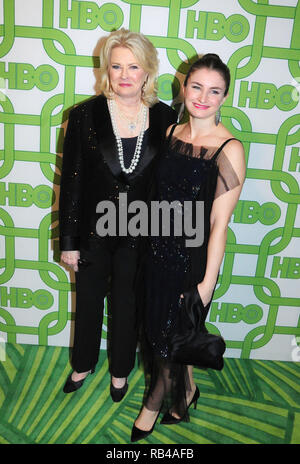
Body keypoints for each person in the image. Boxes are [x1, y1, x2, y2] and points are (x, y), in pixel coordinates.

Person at [131, 53, 246, 441]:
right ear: (184, 87)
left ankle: (155, 402)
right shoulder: (169, 135)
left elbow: (219, 223)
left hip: (192, 260)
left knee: (167, 340)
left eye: (214, 91)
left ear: (224, 97)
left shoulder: (228, 148)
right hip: (155, 252)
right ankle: (188, 390)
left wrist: (207, 282)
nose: (203, 97)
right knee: (161, 332)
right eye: (196, 86)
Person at [59, 28, 177, 400]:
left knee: (127, 306)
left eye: (134, 66)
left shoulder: (165, 118)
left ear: (148, 72)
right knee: (89, 300)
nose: (124, 75)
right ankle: (82, 364)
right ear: (106, 70)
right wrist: (69, 243)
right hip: (93, 234)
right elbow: (72, 183)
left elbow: (169, 184)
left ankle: (121, 372)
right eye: (116, 66)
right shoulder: (83, 115)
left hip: (142, 234)